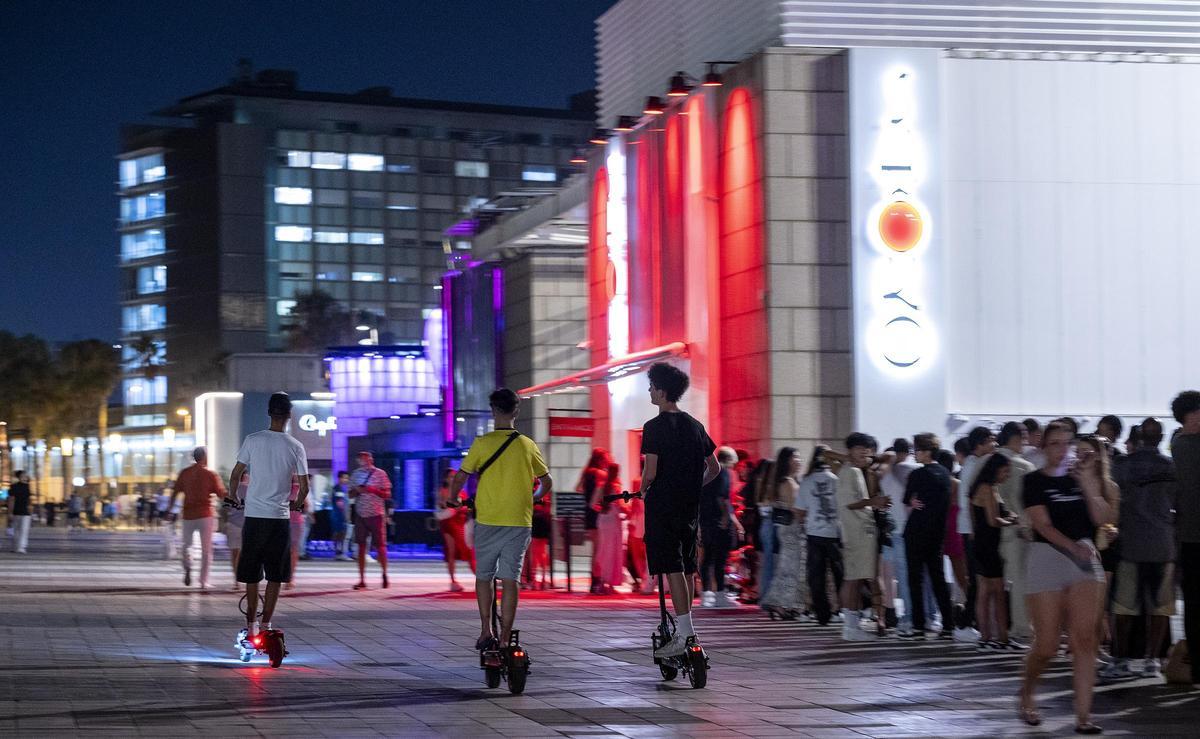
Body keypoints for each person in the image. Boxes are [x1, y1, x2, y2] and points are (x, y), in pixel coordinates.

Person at [1018, 422, 1114, 734]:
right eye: (1055, 444)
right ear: (1043, 448)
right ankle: (1027, 693)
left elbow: (1102, 519)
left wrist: (1087, 483)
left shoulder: (1084, 478)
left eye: (1067, 443)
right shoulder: (1033, 480)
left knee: (1084, 640)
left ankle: (1083, 717)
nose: (1062, 450)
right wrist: (1072, 547)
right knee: (1046, 646)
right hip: (1047, 556)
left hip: (1084, 559)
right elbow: (1042, 525)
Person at [450, 388, 552, 651]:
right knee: (511, 579)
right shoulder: (527, 445)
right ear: (516, 411)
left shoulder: (482, 443)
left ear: (493, 410)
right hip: (519, 521)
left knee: (484, 576)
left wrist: (452, 497)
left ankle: (486, 631)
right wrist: (535, 497)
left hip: (488, 520)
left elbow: (461, 476)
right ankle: (506, 638)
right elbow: (546, 482)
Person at [639, 363, 719, 657]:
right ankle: (687, 630)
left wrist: (643, 489)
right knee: (687, 567)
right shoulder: (695, 425)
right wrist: (694, 486)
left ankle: (685, 635)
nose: (649, 391)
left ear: (661, 391)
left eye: (651, 387)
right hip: (689, 506)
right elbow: (715, 466)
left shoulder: (653, 427)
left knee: (671, 566)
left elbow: (650, 471)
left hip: (662, 505)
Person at [225, 392, 310, 644]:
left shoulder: (252, 440)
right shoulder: (296, 446)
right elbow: (303, 487)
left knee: (251, 575)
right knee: (275, 576)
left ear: (269, 413)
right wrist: (295, 504)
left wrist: (234, 497)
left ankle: (250, 627)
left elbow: (235, 474)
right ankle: (266, 625)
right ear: (288, 415)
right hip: (279, 518)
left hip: (254, 518)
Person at [1104, 417, 1176, 680]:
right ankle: (1152, 661)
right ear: (1160, 438)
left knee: (1123, 608)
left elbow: (1109, 498)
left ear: (1138, 438)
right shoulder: (1171, 467)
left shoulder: (1121, 467)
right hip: (1163, 545)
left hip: (1130, 545)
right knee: (1160, 608)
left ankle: (1120, 659)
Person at [833, 433, 889, 641]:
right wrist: (875, 501)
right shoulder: (852, 472)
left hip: (856, 530)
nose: (865, 451)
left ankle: (852, 624)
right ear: (850, 450)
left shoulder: (852, 470)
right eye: (860, 447)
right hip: (858, 530)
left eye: (868, 448)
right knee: (853, 579)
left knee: (854, 578)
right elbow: (850, 502)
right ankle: (851, 626)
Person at [899, 434, 955, 640]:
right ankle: (948, 624)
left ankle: (918, 626)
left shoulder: (918, 474)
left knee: (916, 579)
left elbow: (906, 499)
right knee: (938, 578)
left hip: (916, 531)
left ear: (926, 451)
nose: (915, 454)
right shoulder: (944, 473)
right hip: (937, 532)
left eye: (918, 450)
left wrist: (913, 502)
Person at [970, 453, 1020, 650]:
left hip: (983, 544)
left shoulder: (982, 487)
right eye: (1005, 471)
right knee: (997, 592)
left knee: (985, 592)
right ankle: (1001, 638)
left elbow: (983, 518)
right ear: (996, 469)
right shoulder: (988, 488)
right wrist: (1013, 522)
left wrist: (1008, 515)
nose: (1007, 475)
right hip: (988, 546)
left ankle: (987, 637)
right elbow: (993, 520)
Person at [996, 421, 1037, 643]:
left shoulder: (987, 461)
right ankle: (1021, 626)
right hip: (1019, 531)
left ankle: (996, 627)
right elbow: (1029, 503)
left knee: (995, 582)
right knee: (1020, 581)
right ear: (1014, 438)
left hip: (992, 530)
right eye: (1024, 437)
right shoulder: (1023, 467)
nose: (1026, 442)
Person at [954, 426, 995, 642]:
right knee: (978, 579)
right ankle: (965, 623)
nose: (994, 444)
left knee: (979, 579)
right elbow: (967, 500)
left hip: (972, 528)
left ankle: (971, 622)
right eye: (990, 440)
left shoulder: (973, 463)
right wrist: (973, 530)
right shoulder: (974, 465)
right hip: (973, 530)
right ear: (979, 444)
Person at [1170, 390, 1200, 686]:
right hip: (1192, 536)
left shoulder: (1176, 446)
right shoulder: (1187, 447)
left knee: (1192, 603)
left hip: (1186, 539)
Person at [796, 446, 843, 626]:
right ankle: (845, 610)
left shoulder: (806, 481)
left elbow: (800, 511)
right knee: (840, 574)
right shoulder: (837, 480)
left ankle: (822, 614)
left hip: (814, 533)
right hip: (835, 533)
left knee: (817, 576)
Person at [879, 438, 920, 632]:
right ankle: (908, 617)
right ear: (909, 451)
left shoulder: (884, 473)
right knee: (905, 577)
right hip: (905, 529)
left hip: (887, 529)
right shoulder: (911, 470)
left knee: (887, 577)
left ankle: (889, 612)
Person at [761, 447, 806, 619]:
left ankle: (781, 603)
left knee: (787, 567)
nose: (799, 461)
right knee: (791, 568)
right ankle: (780, 603)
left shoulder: (783, 481)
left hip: (785, 529)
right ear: (787, 461)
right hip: (792, 529)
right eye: (796, 458)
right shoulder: (788, 482)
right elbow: (796, 509)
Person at [172, 447, 227, 590]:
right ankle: (203, 581)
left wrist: (168, 509)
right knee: (206, 550)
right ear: (204, 457)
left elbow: (175, 492)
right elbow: (221, 494)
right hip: (205, 515)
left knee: (186, 545)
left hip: (188, 515)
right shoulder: (210, 475)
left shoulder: (184, 473)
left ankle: (187, 566)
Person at [699, 447, 743, 609]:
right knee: (720, 559)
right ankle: (719, 595)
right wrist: (726, 518)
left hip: (706, 519)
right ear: (729, 460)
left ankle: (706, 595)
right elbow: (722, 498)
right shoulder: (723, 473)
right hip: (718, 521)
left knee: (707, 558)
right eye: (734, 461)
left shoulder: (707, 473)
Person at [349, 451, 392, 590]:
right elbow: (350, 494)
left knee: (380, 546)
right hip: (361, 514)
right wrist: (357, 491)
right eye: (361, 458)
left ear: (371, 459)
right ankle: (362, 579)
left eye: (366, 458)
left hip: (376, 514)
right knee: (361, 547)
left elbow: (387, 494)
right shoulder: (355, 474)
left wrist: (373, 490)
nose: (364, 461)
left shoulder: (380, 473)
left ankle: (385, 574)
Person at [577, 449, 610, 594]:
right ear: (601, 459)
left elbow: (578, 489)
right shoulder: (600, 473)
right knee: (599, 550)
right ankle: (597, 580)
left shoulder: (586, 472)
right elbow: (598, 492)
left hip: (587, 513)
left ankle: (594, 581)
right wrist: (595, 505)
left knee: (595, 549)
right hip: (596, 513)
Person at [436, 467, 474, 592]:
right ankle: (453, 581)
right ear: (446, 478)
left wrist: (464, 508)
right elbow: (442, 505)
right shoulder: (443, 491)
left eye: (454, 476)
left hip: (461, 523)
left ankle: (481, 576)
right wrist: (456, 507)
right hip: (449, 523)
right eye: (450, 477)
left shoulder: (461, 491)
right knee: (451, 551)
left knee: (468, 551)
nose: (453, 479)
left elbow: (467, 507)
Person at [591, 461, 626, 594]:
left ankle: (602, 581)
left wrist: (603, 508)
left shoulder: (601, 487)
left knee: (603, 551)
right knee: (613, 551)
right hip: (613, 520)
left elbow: (593, 504)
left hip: (603, 520)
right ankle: (609, 582)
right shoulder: (616, 488)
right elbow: (622, 506)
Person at [286, 477, 313, 591]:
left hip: (296, 522)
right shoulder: (281, 488)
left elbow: (306, 506)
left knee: (293, 550)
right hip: (282, 521)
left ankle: (290, 578)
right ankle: (281, 576)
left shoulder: (299, 488)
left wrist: (296, 505)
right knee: (282, 551)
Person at [223, 473, 247, 591]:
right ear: (245, 477)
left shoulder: (231, 491)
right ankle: (245, 579)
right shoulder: (250, 490)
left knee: (234, 554)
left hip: (233, 524)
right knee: (244, 554)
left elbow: (226, 508)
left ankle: (236, 581)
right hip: (245, 525)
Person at [529, 496, 552, 589]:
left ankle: (536, 579)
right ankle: (541, 577)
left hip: (536, 517)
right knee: (540, 550)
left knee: (536, 550)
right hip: (541, 518)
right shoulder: (543, 485)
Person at [8, 471, 31, 553]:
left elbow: (28, 500)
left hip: (25, 512)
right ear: (19, 477)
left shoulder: (27, 486)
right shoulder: (14, 487)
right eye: (23, 476)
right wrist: (10, 512)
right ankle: (16, 547)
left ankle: (21, 547)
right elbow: (11, 500)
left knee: (24, 530)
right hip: (16, 511)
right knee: (16, 530)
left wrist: (30, 510)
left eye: (25, 476)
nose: (25, 477)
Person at [329, 471, 350, 561]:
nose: (346, 480)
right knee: (340, 534)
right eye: (344, 478)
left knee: (339, 534)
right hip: (339, 516)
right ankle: (339, 552)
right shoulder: (338, 489)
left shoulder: (338, 488)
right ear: (339, 478)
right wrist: (346, 516)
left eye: (347, 478)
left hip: (337, 515)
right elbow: (340, 503)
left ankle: (338, 552)